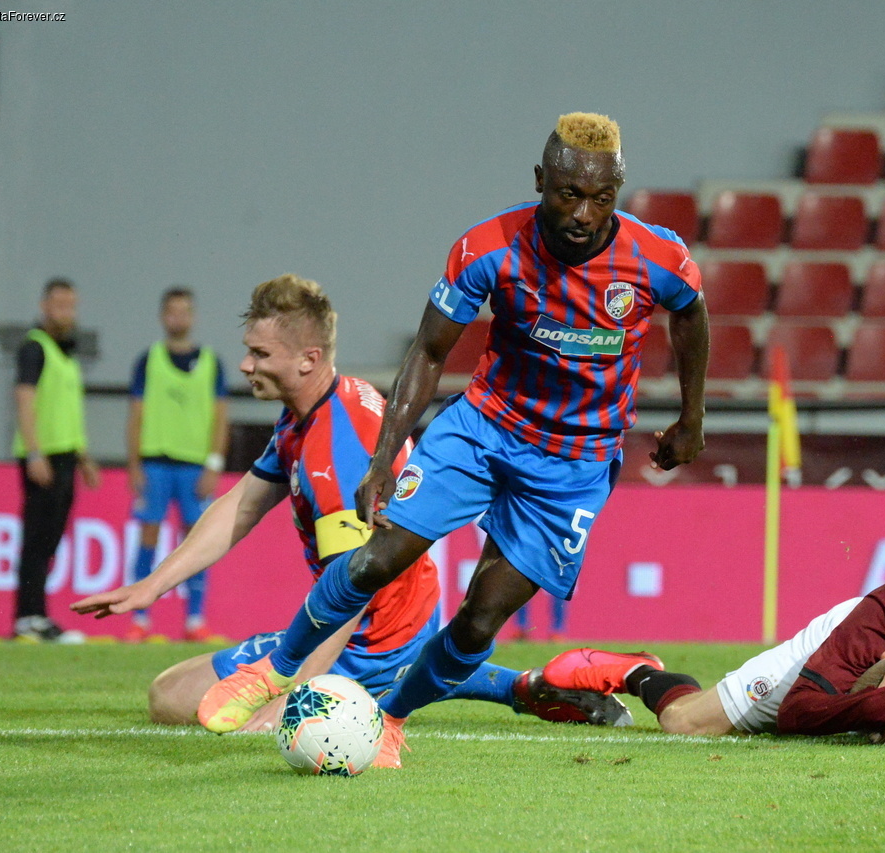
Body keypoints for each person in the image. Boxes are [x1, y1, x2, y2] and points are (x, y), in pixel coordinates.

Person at [197, 112, 710, 768]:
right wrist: (384, 457)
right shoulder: (488, 247)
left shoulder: (656, 257)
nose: (584, 214)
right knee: (376, 558)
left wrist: (692, 419)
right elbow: (429, 352)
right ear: (540, 181)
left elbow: (691, 314)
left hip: (574, 463)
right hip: (483, 430)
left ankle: (391, 720)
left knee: (478, 621)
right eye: (568, 194)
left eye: (601, 198)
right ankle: (273, 669)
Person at [72, 275, 630, 737]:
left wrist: (291, 695)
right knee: (184, 688)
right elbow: (242, 502)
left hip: (373, 635)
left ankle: (385, 682)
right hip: (404, 617)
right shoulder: (318, 408)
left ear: (308, 359)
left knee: (171, 696)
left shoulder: (334, 448)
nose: (245, 365)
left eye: (260, 354)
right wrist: (152, 586)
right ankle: (522, 687)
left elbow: (354, 585)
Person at [542, 580, 885, 745]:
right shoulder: (866, 631)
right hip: (855, 627)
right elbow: (797, 710)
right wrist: (869, 708)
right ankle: (638, 670)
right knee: (687, 724)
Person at [125, 287, 230, 643]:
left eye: (184, 311)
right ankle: (139, 619)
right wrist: (134, 464)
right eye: (172, 311)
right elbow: (135, 415)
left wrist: (214, 464)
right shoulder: (148, 360)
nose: (178, 318)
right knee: (148, 536)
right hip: (155, 462)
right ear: (162, 316)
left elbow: (221, 418)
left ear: (193, 316)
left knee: (196, 541)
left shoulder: (212, 363)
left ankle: (194, 620)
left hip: (194, 466)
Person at [12, 278, 101, 642]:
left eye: (71, 306)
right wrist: (34, 451)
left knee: (49, 540)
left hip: (65, 457)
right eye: (60, 305)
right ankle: (27, 618)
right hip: (43, 456)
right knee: (36, 538)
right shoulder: (35, 348)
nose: (66, 313)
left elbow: (67, 411)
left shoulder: (66, 353)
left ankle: (38, 614)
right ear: (44, 307)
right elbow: (24, 399)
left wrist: (83, 456)